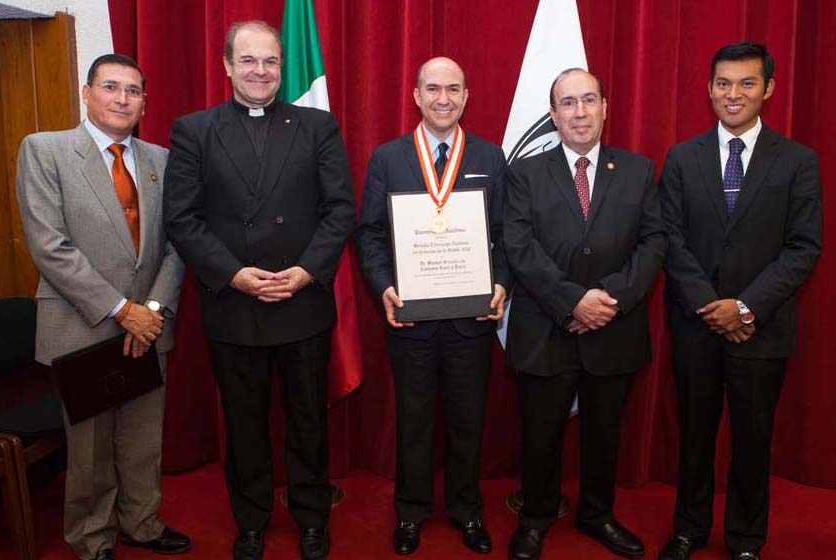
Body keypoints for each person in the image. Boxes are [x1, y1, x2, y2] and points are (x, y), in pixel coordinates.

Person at [162, 20, 354, 560]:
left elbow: (340, 209)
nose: (260, 71)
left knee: (308, 422)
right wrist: (234, 275)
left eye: (269, 61)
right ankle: (250, 523)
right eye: (248, 60)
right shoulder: (194, 130)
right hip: (234, 303)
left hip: (301, 301)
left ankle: (313, 519)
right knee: (244, 427)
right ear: (226, 66)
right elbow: (182, 218)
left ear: (281, 67)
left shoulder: (317, 126)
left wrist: (309, 270)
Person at [15, 54, 189, 560]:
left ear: (144, 103)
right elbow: (49, 245)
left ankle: (142, 523)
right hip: (82, 322)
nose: (122, 98)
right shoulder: (45, 150)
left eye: (133, 91)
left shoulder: (162, 159)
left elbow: (179, 244)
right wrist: (120, 309)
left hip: (148, 325)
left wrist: (150, 309)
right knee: (88, 450)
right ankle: (92, 540)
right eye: (110, 87)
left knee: (142, 439)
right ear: (86, 92)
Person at [657, 41, 822, 560]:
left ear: (768, 89)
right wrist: (714, 308)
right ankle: (688, 529)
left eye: (747, 83)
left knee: (752, 441)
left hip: (762, 329)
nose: (734, 94)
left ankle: (747, 540)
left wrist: (745, 307)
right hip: (696, 327)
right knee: (695, 437)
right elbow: (671, 239)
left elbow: (803, 248)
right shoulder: (682, 159)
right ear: (709, 89)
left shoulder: (798, 161)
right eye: (724, 84)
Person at [503, 68, 667, 560]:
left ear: (604, 107)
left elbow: (654, 241)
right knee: (540, 435)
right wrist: (572, 301)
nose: (579, 112)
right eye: (568, 103)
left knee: (604, 434)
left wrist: (607, 300)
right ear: (553, 115)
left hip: (613, 330)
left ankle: (597, 514)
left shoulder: (638, 170)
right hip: (546, 329)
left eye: (588, 100)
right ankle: (535, 518)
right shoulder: (525, 174)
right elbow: (519, 245)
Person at [355, 56, 511, 556]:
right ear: (416, 96)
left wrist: (502, 283)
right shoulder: (388, 158)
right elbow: (371, 233)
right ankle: (411, 512)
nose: (443, 98)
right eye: (433, 89)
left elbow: (507, 235)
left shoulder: (490, 157)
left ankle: (467, 511)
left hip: (473, 318)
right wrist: (382, 286)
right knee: (414, 420)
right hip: (412, 317)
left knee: (469, 420)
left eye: (454, 89)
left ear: (466, 96)